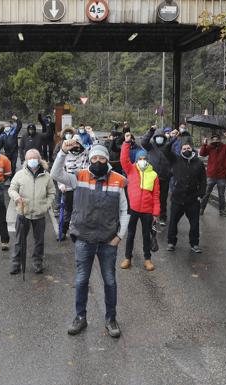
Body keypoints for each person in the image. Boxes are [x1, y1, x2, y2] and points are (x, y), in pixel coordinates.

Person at [52, 141, 129, 339]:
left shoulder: (118, 180)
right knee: (81, 280)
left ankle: (111, 319)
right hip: (84, 239)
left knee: (110, 281)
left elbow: (124, 211)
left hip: (107, 241)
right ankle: (80, 317)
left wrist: (119, 236)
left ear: (107, 160)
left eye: (101, 158)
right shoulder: (79, 176)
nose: (98, 161)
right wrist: (62, 152)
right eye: (94, 158)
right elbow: (56, 174)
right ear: (90, 159)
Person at [8, 149, 56, 274]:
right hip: (23, 213)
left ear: (39, 160)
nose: (32, 160)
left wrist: (46, 206)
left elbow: (52, 193)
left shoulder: (46, 176)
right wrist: (16, 197)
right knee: (19, 240)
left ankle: (37, 262)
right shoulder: (20, 174)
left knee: (39, 241)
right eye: (29, 158)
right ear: (26, 160)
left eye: (35, 158)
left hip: (39, 214)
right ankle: (16, 263)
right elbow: (11, 189)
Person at [119, 133, 160, 271]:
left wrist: (156, 213)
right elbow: (124, 160)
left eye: (144, 158)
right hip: (133, 209)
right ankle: (127, 258)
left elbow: (156, 195)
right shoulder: (131, 170)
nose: (142, 160)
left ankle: (147, 259)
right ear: (136, 160)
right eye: (140, 159)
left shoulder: (153, 175)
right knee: (130, 234)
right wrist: (126, 143)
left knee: (146, 235)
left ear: (148, 160)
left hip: (147, 211)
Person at [163, 135, 207, 253]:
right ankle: (171, 242)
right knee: (173, 222)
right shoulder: (175, 159)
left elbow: (203, 180)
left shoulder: (199, 163)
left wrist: (200, 195)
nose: (186, 150)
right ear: (180, 150)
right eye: (184, 149)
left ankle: (194, 244)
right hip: (177, 198)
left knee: (194, 224)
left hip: (192, 199)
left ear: (192, 149)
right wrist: (172, 139)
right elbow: (166, 150)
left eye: (188, 148)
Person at [55, 133, 90, 239]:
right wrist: (61, 185)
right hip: (68, 187)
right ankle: (63, 231)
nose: (76, 147)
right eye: (74, 144)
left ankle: (81, 232)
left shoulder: (86, 154)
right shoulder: (65, 154)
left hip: (82, 187)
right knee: (67, 212)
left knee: (83, 211)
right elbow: (59, 171)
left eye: (78, 144)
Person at [199, 131, 226, 216]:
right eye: (213, 139)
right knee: (206, 194)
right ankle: (201, 209)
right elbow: (202, 153)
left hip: (221, 176)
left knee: (221, 195)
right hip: (211, 176)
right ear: (211, 140)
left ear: (220, 140)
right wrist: (204, 144)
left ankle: (222, 210)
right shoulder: (209, 148)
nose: (215, 140)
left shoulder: (225, 148)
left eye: (217, 139)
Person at [141, 125, 171, 225]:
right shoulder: (150, 146)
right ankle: (150, 216)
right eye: (157, 136)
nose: (159, 138)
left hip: (164, 178)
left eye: (161, 137)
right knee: (150, 198)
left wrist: (170, 172)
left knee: (163, 199)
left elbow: (173, 160)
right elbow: (143, 142)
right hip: (152, 178)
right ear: (154, 138)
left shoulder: (167, 147)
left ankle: (162, 217)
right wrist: (151, 130)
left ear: (164, 138)